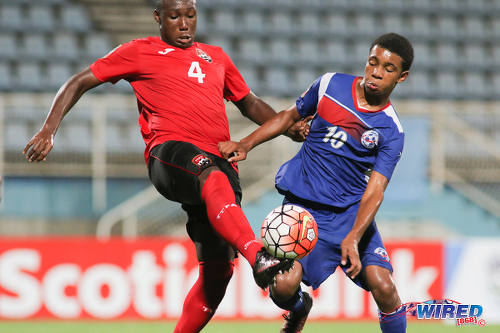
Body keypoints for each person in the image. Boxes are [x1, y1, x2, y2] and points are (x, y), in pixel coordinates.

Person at [23, 0, 303, 331]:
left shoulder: (216, 57)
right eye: (174, 17)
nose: (184, 24)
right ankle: (257, 254)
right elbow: (78, 81)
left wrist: (287, 125)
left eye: (190, 15)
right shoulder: (138, 51)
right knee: (209, 173)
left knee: (218, 274)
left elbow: (249, 102)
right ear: (158, 18)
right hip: (169, 153)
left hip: (219, 166)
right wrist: (49, 129)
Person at [219, 33, 414, 333]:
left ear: (401, 77)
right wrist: (246, 143)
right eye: (373, 62)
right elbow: (288, 116)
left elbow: (375, 191)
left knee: (385, 288)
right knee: (283, 287)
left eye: (388, 68)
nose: (376, 72)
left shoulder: (392, 130)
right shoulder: (329, 85)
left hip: (350, 216)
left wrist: (353, 236)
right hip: (303, 210)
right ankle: (299, 308)